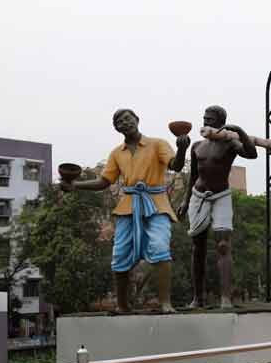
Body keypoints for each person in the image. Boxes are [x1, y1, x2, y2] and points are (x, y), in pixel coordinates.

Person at [61, 108, 188, 313]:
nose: (125, 123)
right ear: (117, 128)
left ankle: (166, 303)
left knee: (159, 246)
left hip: (156, 204)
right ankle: (122, 304)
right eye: (119, 122)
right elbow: (104, 181)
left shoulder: (157, 144)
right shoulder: (116, 153)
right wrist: (76, 185)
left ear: (137, 119)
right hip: (128, 206)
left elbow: (176, 165)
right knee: (120, 253)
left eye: (128, 119)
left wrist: (182, 149)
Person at [178, 106, 257, 309]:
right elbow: (193, 177)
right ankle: (198, 298)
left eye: (211, 120)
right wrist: (186, 201)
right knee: (198, 247)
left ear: (221, 122)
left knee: (223, 245)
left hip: (221, 195)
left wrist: (238, 130)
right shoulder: (197, 146)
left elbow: (252, 153)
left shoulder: (230, 143)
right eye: (204, 119)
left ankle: (225, 298)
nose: (206, 123)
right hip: (198, 195)